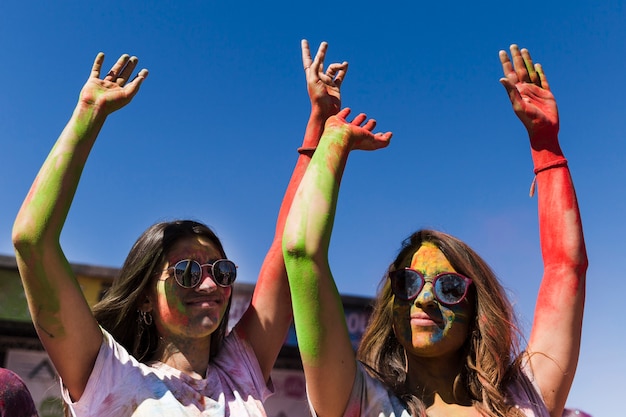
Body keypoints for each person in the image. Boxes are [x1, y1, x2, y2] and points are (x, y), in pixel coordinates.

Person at [12, 39, 348, 417]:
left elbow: (289, 247)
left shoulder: (241, 376)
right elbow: (32, 241)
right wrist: (88, 114)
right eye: (187, 271)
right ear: (143, 296)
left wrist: (320, 122)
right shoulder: (108, 375)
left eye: (220, 271)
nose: (209, 285)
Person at [282, 44, 586, 417]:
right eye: (406, 283)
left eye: (450, 287)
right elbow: (300, 253)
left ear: (477, 308)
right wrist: (331, 140)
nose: (423, 299)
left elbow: (565, 267)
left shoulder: (524, 399)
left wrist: (546, 147)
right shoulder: (359, 402)